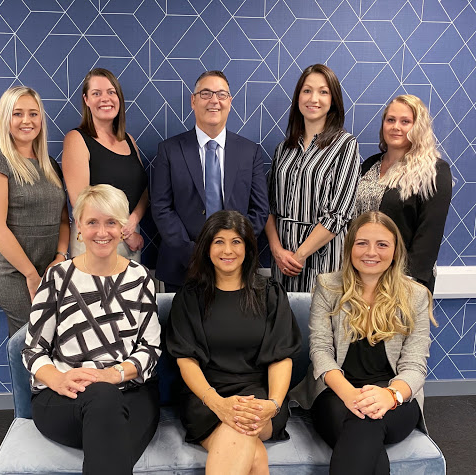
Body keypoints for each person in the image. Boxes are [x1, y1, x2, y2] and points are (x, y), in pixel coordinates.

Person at [22, 184, 161, 475]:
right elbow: (33, 350)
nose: (102, 232)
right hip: (64, 398)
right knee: (104, 404)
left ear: (122, 227)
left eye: (111, 222)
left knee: (108, 424)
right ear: (79, 228)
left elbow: (150, 349)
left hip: (131, 393)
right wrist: (58, 379)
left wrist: (112, 374)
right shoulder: (58, 277)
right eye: (92, 222)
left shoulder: (140, 277)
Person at [289, 211, 436, 475]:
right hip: (336, 393)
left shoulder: (415, 295)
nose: (371, 252)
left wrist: (389, 396)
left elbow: (415, 366)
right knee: (363, 424)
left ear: (395, 251)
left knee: (365, 422)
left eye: (382, 244)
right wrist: (350, 394)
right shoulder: (328, 286)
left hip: (395, 396)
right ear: (350, 248)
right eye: (362, 243)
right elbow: (320, 352)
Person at [166, 210, 301, 475]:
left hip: (259, 396)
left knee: (242, 424)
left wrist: (273, 404)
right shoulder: (189, 297)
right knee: (254, 459)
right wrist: (217, 403)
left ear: (247, 248)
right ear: (207, 248)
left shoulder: (270, 293)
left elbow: (280, 356)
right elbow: (186, 360)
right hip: (205, 398)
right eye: (219, 241)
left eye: (236, 241)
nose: (227, 250)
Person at [151, 70, 269, 292]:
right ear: (193, 101)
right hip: (182, 268)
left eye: (221, 94)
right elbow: (161, 207)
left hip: (235, 268)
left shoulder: (250, 152)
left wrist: (232, 249)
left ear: (230, 102)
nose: (214, 100)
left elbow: (260, 210)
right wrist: (194, 254)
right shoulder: (169, 150)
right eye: (205, 93)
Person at [0, 86, 69, 336]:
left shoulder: (50, 165)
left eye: (33, 113)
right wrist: (30, 274)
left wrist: (60, 257)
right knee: (35, 340)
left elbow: (63, 219)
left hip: (49, 269)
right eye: (17, 114)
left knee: (39, 343)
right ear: (5, 119)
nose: (27, 121)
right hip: (15, 273)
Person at [265, 63, 360, 293]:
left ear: (333, 100)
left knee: (320, 316)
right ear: (298, 97)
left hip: (323, 263)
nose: (313, 98)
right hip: (282, 263)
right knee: (283, 316)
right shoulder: (283, 149)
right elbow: (268, 206)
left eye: (323, 92)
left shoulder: (346, 145)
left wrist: (299, 255)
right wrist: (277, 251)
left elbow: (338, 215)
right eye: (307, 90)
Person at [355, 94, 452, 293]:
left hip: (404, 281)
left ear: (419, 127)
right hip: (362, 274)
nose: (396, 127)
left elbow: (429, 234)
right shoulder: (369, 164)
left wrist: (407, 282)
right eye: (390, 120)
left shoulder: (434, 171)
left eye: (405, 121)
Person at [62, 68, 148, 261]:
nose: (105, 98)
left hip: (130, 240)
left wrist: (132, 222)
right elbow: (82, 203)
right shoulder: (76, 139)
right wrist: (125, 232)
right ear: (86, 100)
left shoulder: (129, 141)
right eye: (96, 93)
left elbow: (144, 192)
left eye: (111, 92)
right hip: (94, 240)